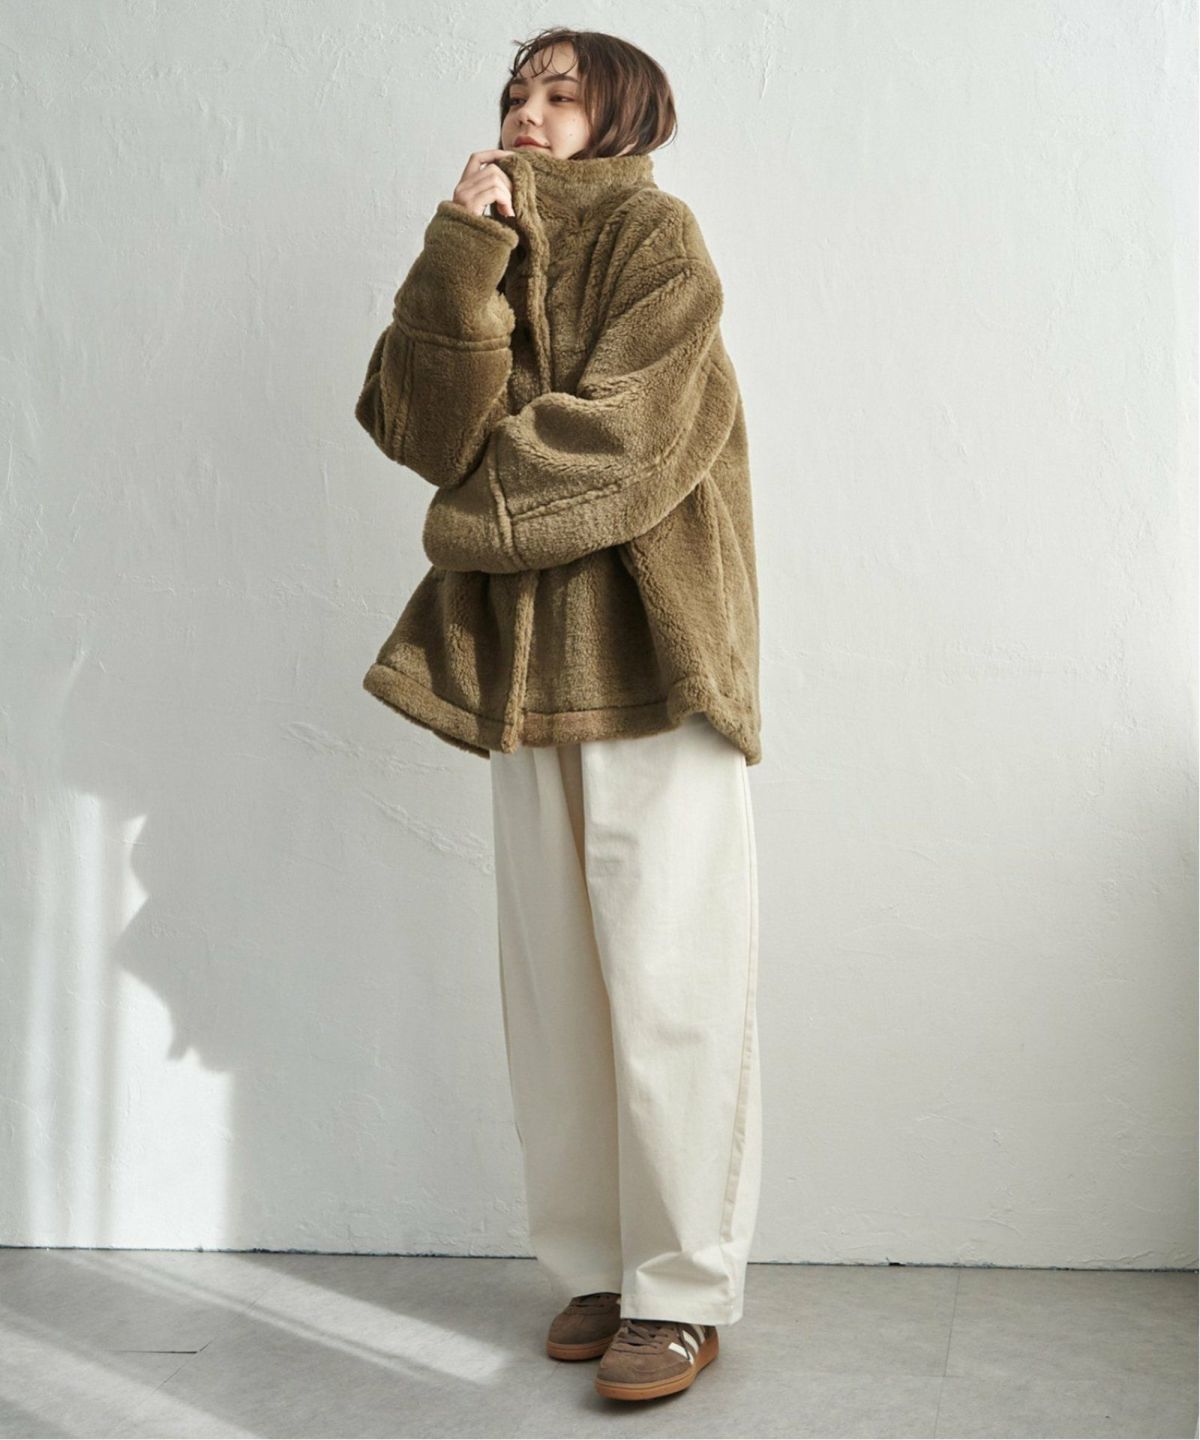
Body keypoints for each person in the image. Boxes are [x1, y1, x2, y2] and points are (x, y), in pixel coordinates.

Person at [354, 26, 762, 1404]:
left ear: (625, 114)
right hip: (523, 665)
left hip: (658, 655)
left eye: (562, 94)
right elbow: (418, 425)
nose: (529, 113)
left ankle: (682, 1291)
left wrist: (462, 515)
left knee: (672, 983)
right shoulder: (483, 244)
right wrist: (462, 249)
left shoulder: (658, 239)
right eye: (516, 93)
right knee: (555, 992)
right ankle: (598, 1266)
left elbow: (627, 442)